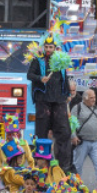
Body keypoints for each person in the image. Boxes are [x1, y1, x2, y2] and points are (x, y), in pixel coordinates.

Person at [26, 37, 73, 169]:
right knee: (41, 134)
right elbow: (29, 75)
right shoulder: (38, 61)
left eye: (50, 47)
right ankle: (40, 165)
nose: (48, 50)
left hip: (59, 101)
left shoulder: (60, 61)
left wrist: (68, 93)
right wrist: (40, 78)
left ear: (55, 48)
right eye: (46, 47)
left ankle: (63, 167)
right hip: (43, 101)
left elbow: (65, 79)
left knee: (64, 133)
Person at [72, 89, 97, 193]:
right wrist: (73, 136)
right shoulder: (77, 108)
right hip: (82, 142)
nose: (94, 100)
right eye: (91, 98)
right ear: (85, 99)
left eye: (94, 97)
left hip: (96, 141)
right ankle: (76, 184)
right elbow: (71, 124)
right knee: (78, 165)